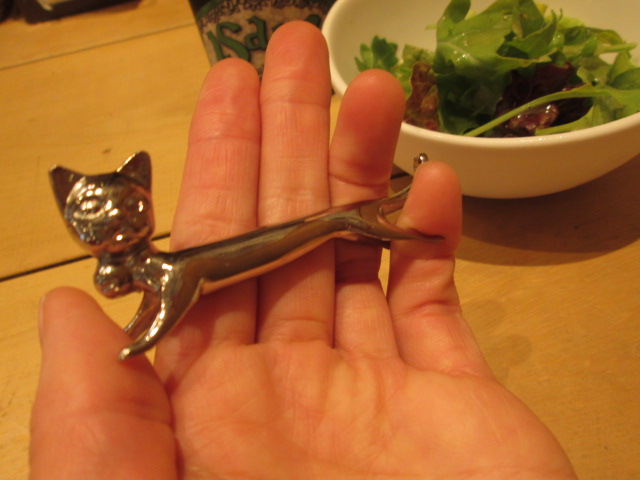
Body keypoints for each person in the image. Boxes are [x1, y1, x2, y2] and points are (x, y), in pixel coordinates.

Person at [30, 21, 577, 480]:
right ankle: (378, 209)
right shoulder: (168, 271)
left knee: (335, 222)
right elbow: (158, 301)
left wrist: (136, 341)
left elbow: (167, 308)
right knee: (336, 221)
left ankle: (382, 211)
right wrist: (133, 333)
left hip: (300, 237)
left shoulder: (175, 276)